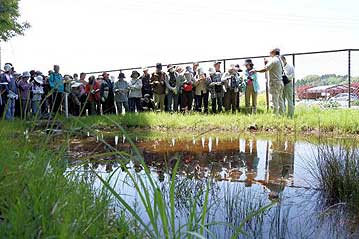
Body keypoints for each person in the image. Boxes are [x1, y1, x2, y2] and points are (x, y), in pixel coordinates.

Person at [251, 48, 284, 116]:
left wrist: (255, 70)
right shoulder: (280, 60)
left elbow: (265, 68)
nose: (269, 53)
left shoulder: (273, 60)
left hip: (275, 83)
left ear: (274, 52)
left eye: (270, 52)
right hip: (280, 82)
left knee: (274, 99)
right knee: (280, 99)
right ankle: (282, 114)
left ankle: (275, 115)